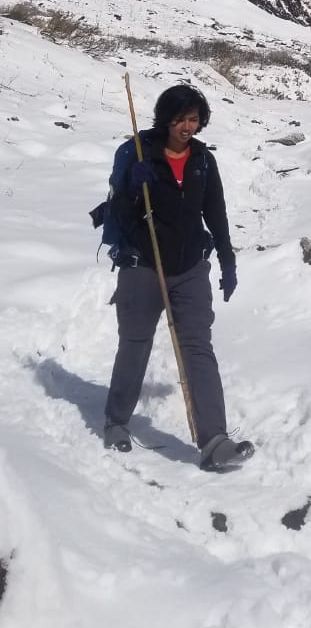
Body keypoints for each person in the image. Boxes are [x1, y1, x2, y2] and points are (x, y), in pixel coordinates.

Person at [102, 84, 254, 470]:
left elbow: (215, 212)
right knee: (136, 344)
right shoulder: (140, 155)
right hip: (143, 264)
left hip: (189, 268)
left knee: (197, 348)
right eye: (180, 118)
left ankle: (214, 440)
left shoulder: (202, 160)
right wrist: (132, 188)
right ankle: (117, 421)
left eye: (194, 118)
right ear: (165, 118)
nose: (188, 126)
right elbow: (117, 212)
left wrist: (227, 259)